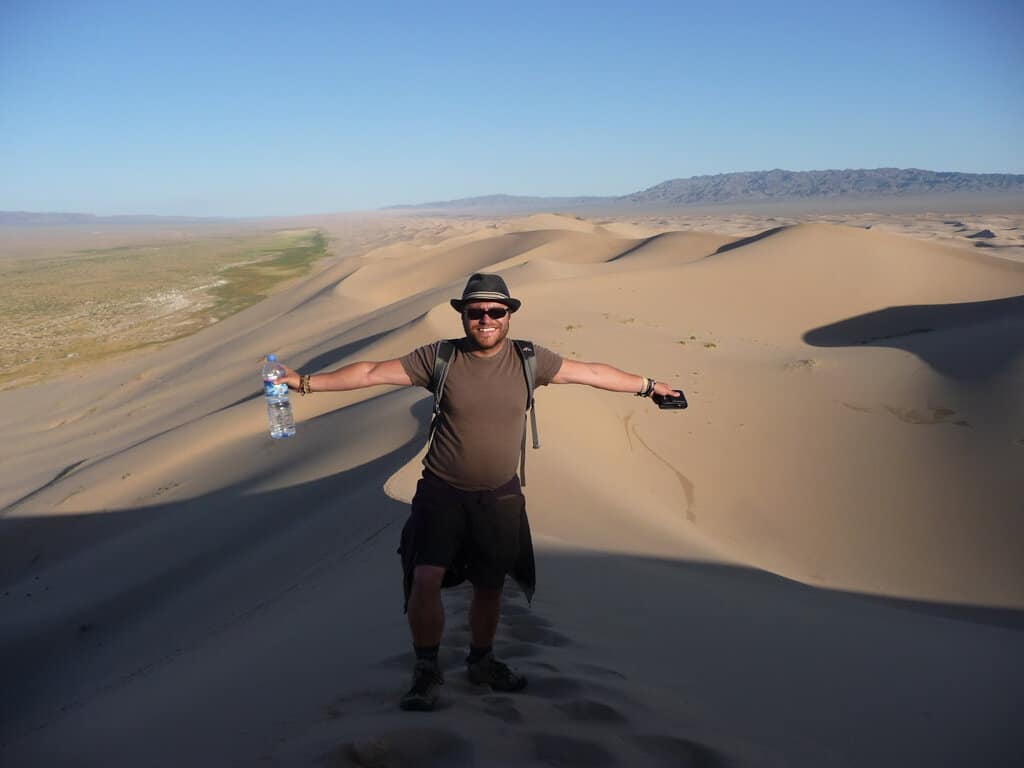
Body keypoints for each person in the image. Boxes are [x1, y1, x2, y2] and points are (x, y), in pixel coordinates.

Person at [276, 273, 682, 711]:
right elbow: (372, 372)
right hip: (442, 491)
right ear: (463, 315)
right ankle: (427, 669)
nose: (486, 319)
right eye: (476, 312)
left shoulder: (530, 359)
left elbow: (592, 373)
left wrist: (650, 386)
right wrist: (304, 383)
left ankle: (481, 661)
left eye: (495, 311)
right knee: (426, 580)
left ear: (509, 315)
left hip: (500, 497)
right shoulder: (440, 357)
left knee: (489, 586)